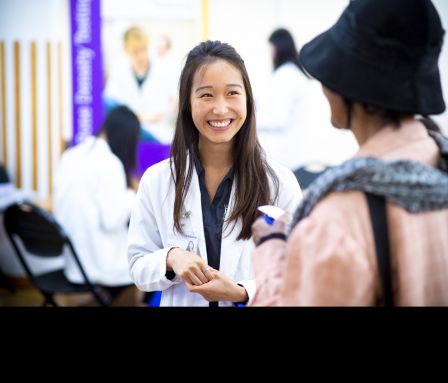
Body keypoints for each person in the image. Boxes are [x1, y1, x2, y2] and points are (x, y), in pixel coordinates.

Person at [249, 0, 448, 306]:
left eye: (331, 74)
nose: (324, 85)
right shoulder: (447, 169)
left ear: (351, 88)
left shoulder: (339, 218)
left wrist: (271, 247)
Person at [127, 40, 302, 307]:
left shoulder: (279, 183)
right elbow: (138, 266)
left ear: (248, 99)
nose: (220, 109)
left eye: (232, 93)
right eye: (206, 95)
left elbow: (297, 273)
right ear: (187, 102)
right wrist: (171, 257)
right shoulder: (157, 181)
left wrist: (242, 292)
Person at [53, 106, 141, 303]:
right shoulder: (109, 163)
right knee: (146, 261)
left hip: (72, 261)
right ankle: (109, 296)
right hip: (98, 262)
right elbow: (111, 221)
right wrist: (133, 194)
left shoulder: (71, 154)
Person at [256, 28, 318, 171]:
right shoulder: (294, 74)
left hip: (284, 160)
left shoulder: (285, 76)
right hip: (294, 157)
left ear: (277, 48)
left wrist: (247, 118)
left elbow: (278, 118)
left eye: (270, 48)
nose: (270, 54)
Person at [104, 26, 177, 143]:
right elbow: (112, 107)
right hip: (128, 137)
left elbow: (173, 104)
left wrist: (168, 109)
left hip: (160, 135)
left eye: (144, 49)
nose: (141, 55)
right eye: (135, 51)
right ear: (126, 50)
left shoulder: (164, 70)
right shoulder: (119, 74)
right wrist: (137, 117)